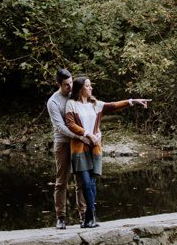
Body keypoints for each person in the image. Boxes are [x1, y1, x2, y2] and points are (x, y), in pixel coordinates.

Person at [64, 76, 150, 228]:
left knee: (92, 182)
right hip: (79, 147)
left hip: (95, 146)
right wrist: (87, 134)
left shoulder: (95, 104)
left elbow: (113, 106)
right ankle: (90, 216)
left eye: (90, 86)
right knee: (85, 183)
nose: (91, 88)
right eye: (88, 86)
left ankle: (89, 218)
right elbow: (70, 124)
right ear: (80, 89)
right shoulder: (71, 104)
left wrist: (132, 101)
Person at [47, 69, 79, 228]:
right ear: (59, 83)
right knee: (61, 181)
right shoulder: (53, 102)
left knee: (81, 178)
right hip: (63, 143)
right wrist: (78, 136)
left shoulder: (75, 95)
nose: (70, 87)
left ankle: (85, 215)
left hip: (79, 142)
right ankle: (60, 218)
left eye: (71, 83)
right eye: (66, 85)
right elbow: (59, 126)